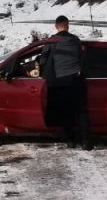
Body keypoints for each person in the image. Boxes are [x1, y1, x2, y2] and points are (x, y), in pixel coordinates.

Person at [38, 16, 92, 150]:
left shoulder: (51, 42)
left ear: (56, 27)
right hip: (77, 79)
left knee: (66, 111)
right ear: (67, 25)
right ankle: (85, 142)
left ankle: (71, 140)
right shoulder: (76, 40)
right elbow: (82, 58)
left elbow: (43, 62)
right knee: (81, 111)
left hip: (60, 82)